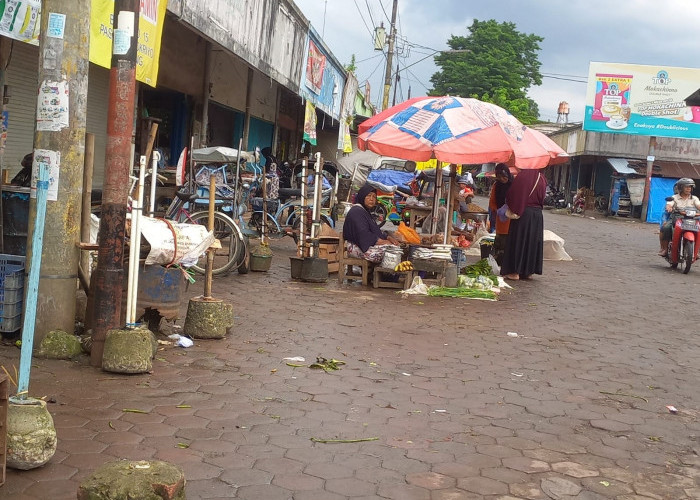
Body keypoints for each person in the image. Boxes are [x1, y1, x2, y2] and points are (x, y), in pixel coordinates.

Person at [500, 168, 546, 280]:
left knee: (518, 241)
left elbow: (512, 194)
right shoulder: (542, 178)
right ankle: (528, 271)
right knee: (532, 242)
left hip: (524, 214)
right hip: (537, 216)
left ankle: (515, 272)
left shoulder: (522, 177)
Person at [343, 183, 400, 263]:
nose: (371, 199)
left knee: (396, 250)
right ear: (362, 196)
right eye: (368, 196)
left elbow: (375, 229)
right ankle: (383, 275)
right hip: (356, 247)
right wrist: (384, 242)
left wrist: (388, 238)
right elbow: (363, 235)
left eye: (374, 197)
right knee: (390, 254)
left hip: (364, 245)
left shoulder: (365, 211)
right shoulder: (356, 211)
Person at [658, 177, 700, 256]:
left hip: (692, 218)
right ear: (680, 187)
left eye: (690, 187)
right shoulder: (674, 197)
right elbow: (669, 204)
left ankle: (696, 250)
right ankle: (665, 249)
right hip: (676, 218)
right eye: (686, 187)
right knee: (666, 228)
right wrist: (669, 207)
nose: (689, 189)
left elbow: (698, 205)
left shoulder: (694, 198)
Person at [488, 163, 513, 265]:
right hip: (501, 219)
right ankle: (500, 262)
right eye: (499, 177)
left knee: (511, 242)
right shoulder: (496, 186)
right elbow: (492, 202)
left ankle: (509, 264)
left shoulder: (514, 184)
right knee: (501, 242)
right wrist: (498, 210)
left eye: (504, 176)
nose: (502, 179)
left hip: (513, 218)